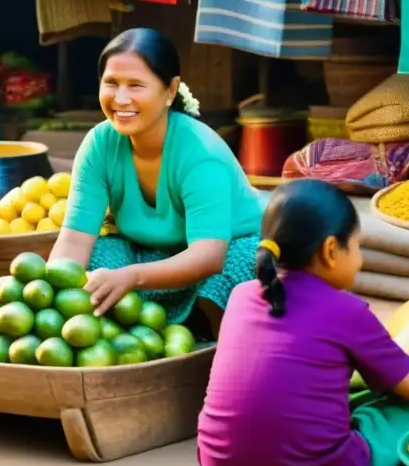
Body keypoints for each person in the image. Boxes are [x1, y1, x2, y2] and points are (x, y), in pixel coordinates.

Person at [197, 179, 409, 466]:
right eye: (358, 247)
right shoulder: (346, 310)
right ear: (331, 249)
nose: (360, 259)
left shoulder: (241, 297)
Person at [47, 27, 263, 329]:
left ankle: (207, 343)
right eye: (111, 83)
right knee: (92, 258)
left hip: (223, 251)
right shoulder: (99, 144)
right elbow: (73, 240)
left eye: (136, 85)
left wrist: (131, 277)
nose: (121, 99)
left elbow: (208, 255)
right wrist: (47, 303)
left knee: (237, 270)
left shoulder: (200, 152)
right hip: (149, 255)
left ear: (170, 91)